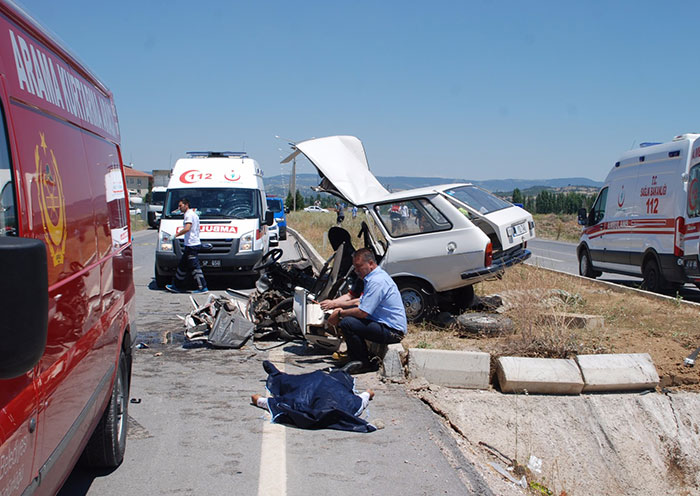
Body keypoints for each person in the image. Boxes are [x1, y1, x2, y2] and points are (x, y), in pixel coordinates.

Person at [324, 248, 407, 373]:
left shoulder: (377, 281)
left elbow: (363, 312)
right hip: (383, 325)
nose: (356, 271)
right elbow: (359, 301)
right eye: (355, 267)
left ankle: (362, 362)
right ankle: (353, 357)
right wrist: (335, 305)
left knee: (348, 323)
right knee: (349, 316)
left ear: (371, 264)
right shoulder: (373, 278)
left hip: (392, 331)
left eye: (359, 267)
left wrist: (340, 313)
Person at [166, 198, 208, 294]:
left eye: (181, 206)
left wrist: (176, 235)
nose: (179, 208)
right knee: (182, 266)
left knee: (194, 266)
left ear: (186, 205)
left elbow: (187, 228)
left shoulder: (188, 215)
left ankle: (202, 286)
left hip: (191, 244)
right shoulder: (194, 214)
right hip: (192, 243)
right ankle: (176, 285)